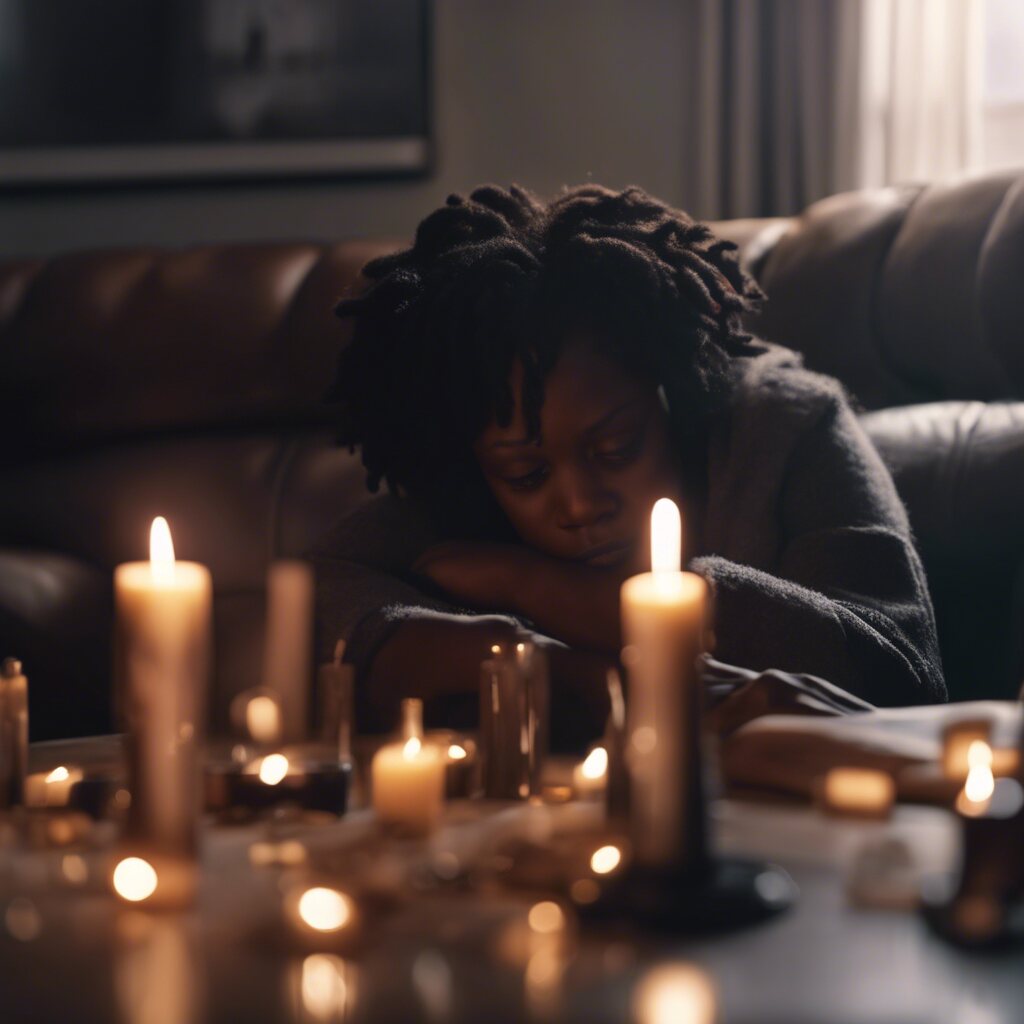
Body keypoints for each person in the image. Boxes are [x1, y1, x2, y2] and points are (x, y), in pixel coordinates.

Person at [312, 184, 945, 744]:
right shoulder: (457, 480)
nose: (582, 504)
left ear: (666, 389)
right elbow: (326, 611)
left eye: (615, 449)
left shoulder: (789, 427)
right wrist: (570, 671)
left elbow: (899, 675)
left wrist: (535, 585)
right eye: (528, 476)